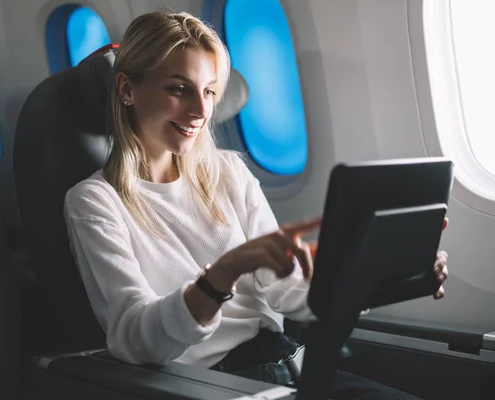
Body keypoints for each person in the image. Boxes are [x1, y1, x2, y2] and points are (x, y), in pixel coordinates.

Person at [64, 10, 449, 400]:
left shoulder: (229, 172)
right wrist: (222, 275)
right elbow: (136, 339)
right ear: (127, 89)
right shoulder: (96, 202)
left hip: (298, 369)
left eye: (210, 91)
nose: (200, 110)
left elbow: (291, 294)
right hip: (214, 388)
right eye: (179, 89)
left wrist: (386, 276)